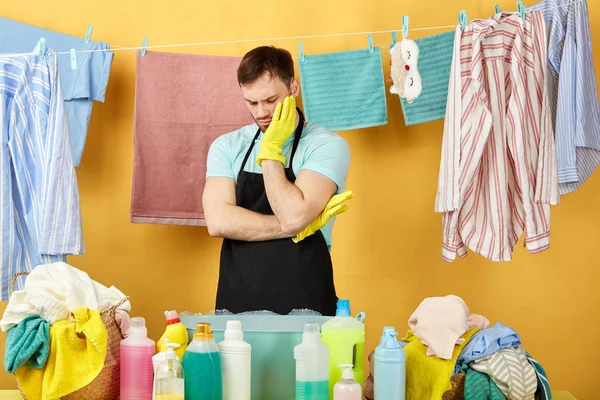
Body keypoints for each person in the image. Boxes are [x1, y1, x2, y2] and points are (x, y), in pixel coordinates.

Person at [202, 45, 353, 316]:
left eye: (271, 100)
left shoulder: (327, 146)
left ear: (293, 88)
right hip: (238, 303)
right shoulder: (226, 146)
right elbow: (218, 221)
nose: (261, 113)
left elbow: (293, 217)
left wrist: (270, 149)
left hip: (307, 304)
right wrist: (297, 226)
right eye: (252, 102)